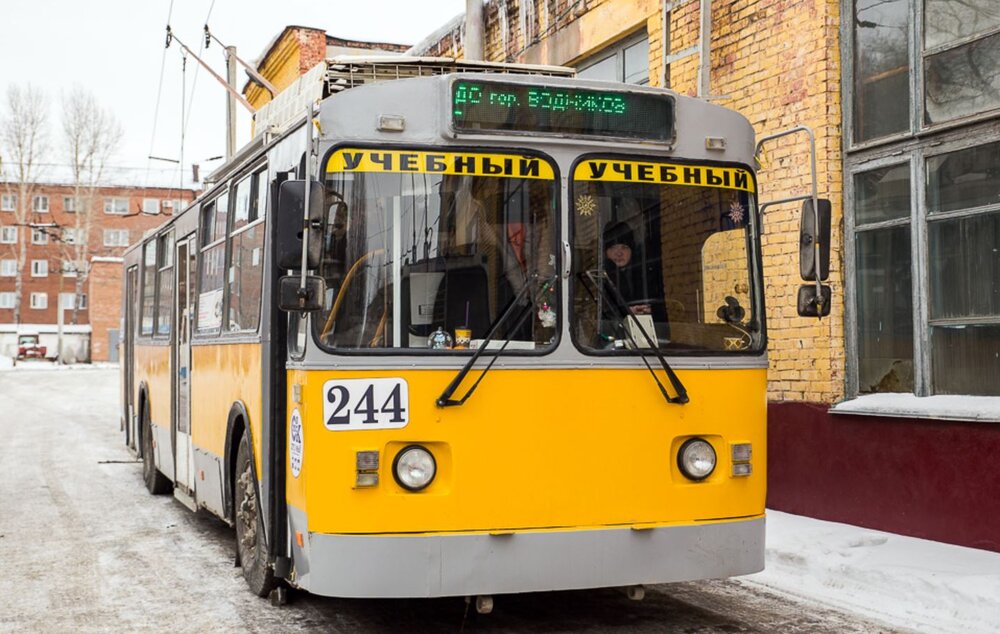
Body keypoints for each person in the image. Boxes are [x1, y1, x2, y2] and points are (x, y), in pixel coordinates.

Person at [602, 221, 651, 315]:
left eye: (624, 247)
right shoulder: (600, 277)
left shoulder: (643, 274)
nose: (619, 253)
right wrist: (626, 311)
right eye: (613, 248)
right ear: (605, 252)